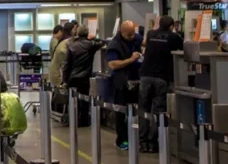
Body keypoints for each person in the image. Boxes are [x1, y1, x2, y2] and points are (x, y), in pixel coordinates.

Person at [139, 15, 183, 153]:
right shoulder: (173, 37)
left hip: (145, 76)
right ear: (172, 26)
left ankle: (142, 142)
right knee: (158, 111)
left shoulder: (151, 33)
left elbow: (146, 44)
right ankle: (153, 142)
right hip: (161, 78)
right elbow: (183, 49)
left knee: (144, 110)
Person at [107, 20, 142, 150]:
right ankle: (121, 139)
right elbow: (113, 64)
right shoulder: (114, 45)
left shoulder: (135, 37)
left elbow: (143, 42)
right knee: (121, 111)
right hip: (120, 81)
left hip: (135, 80)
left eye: (133, 34)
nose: (132, 37)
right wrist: (131, 59)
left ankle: (133, 136)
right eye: (129, 35)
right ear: (122, 32)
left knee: (134, 111)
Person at [62, 25, 104, 126]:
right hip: (84, 77)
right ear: (87, 33)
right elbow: (103, 42)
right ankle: (84, 121)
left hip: (72, 78)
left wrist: (65, 80)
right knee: (84, 100)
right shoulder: (90, 45)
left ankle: (73, 120)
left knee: (72, 100)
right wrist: (93, 37)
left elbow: (67, 65)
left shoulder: (71, 45)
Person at [50, 22, 74, 120]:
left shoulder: (58, 41)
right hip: (58, 72)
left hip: (55, 70)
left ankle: (56, 111)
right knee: (59, 93)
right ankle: (59, 112)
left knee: (56, 92)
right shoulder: (59, 43)